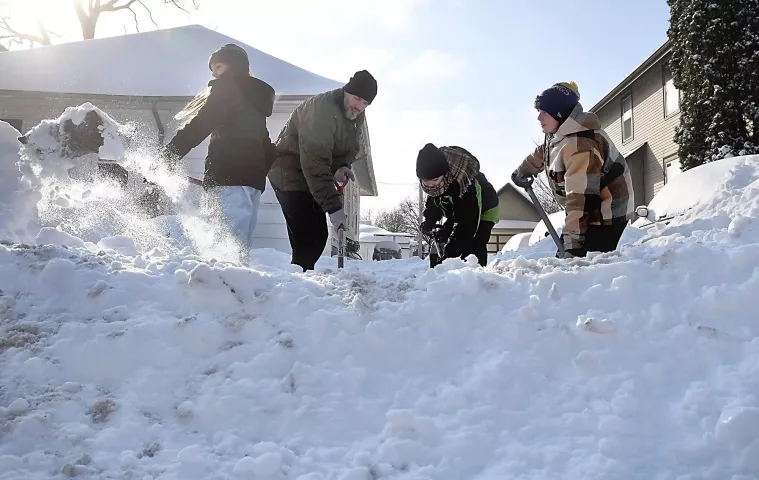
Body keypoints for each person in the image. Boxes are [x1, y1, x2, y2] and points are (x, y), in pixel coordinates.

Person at [159, 43, 276, 265]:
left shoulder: (227, 89)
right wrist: (257, 171)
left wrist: (169, 154)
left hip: (228, 176)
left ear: (234, 66)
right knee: (239, 248)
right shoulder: (254, 101)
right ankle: (236, 293)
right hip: (252, 183)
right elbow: (267, 145)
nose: (214, 73)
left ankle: (223, 294)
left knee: (224, 249)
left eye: (218, 66)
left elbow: (201, 124)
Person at [267, 70, 378, 272]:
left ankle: (301, 282)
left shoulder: (355, 116)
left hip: (311, 174)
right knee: (307, 235)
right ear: (347, 91)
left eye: (366, 103)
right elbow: (315, 162)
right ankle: (294, 287)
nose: (360, 106)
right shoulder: (321, 110)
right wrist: (334, 208)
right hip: (289, 172)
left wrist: (342, 166)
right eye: (357, 99)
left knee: (319, 236)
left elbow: (352, 148)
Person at [511, 82, 634, 258]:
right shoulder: (560, 135)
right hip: (588, 209)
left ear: (559, 113)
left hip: (606, 216)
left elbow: (580, 199)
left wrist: (573, 244)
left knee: (588, 268)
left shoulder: (581, 145)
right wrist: (525, 169)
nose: (539, 117)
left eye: (544, 112)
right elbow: (544, 152)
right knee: (566, 261)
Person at [417, 143, 499, 268]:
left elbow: (468, 223)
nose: (431, 186)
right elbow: (434, 201)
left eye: (434, 181)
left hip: (484, 210)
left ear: (445, 175)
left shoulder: (464, 183)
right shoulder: (436, 186)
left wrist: (452, 253)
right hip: (457, 211)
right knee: (445, 237)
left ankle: (478, 276)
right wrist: (430, 220)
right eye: (426, 182)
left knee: (474, 244)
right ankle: (448, 273)